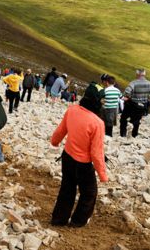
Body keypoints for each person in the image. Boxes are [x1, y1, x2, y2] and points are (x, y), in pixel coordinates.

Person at [50, 89, 107, 227]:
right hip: (83, 164)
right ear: (96, 102)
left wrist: (55, 142)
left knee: (67, 188)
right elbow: (96, 152)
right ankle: (78, 221)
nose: (103, 103)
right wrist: (102, 175)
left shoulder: (72, 109)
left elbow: (61, 130)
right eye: (102, 100)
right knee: (89, 192)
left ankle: (59, 219)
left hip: (67, 156)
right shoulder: (98, 123)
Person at [121, 69, 150, 138]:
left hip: (133, 104)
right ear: (144, 75)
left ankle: (123, 134)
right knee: (137, 120)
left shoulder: (133, 83)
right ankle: (134, 135)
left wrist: (128, 97)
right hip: (143, 106)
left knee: (123, 118)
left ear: (137, 75)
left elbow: (127, 92)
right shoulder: (149, 84)